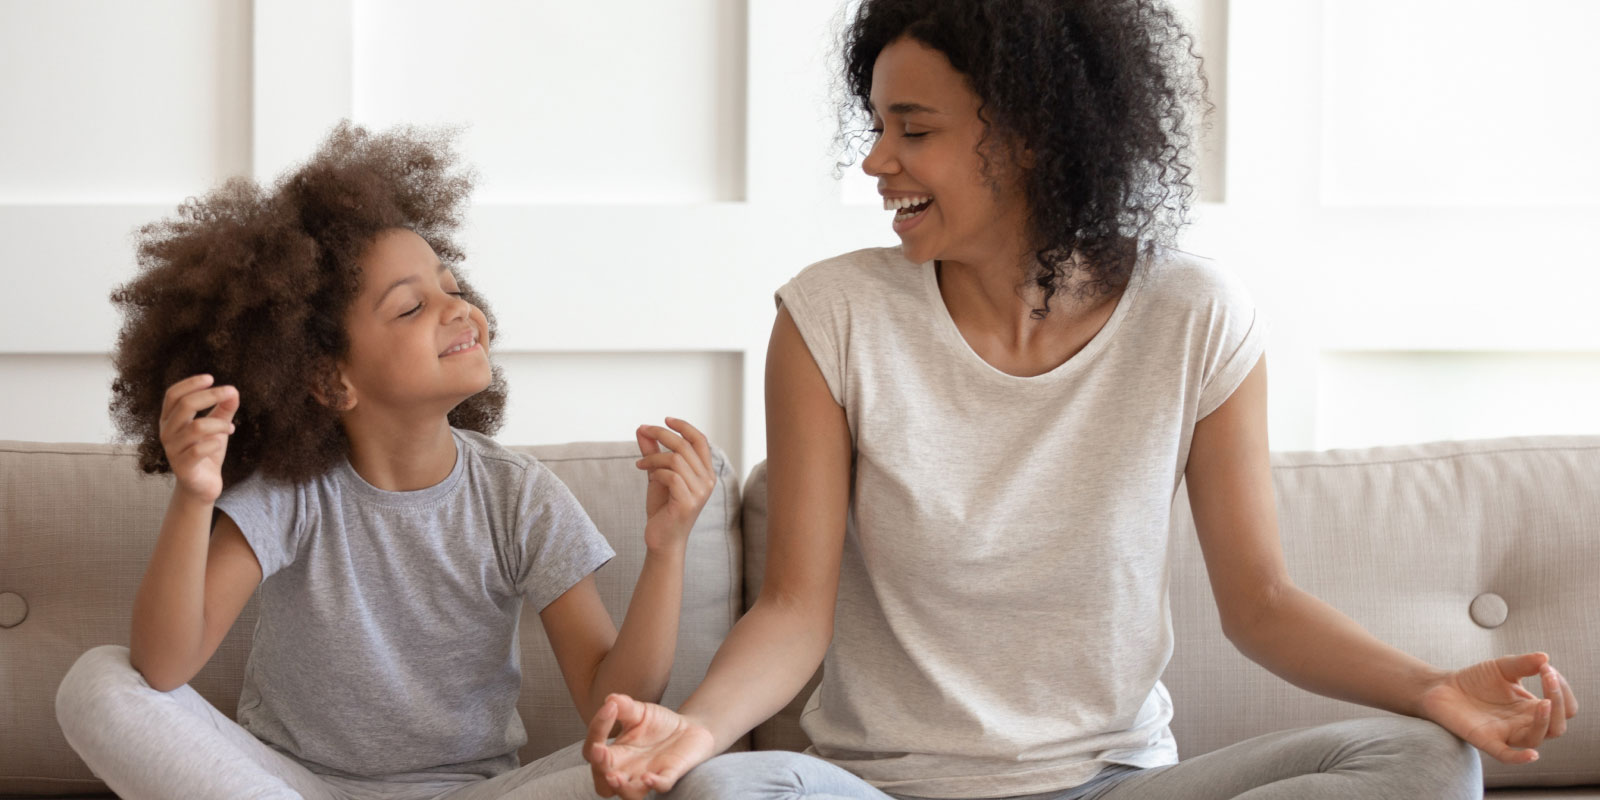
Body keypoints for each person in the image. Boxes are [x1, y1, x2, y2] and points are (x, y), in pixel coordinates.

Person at [581, 2, 1580, 798]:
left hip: (1115, 781)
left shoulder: (1194, 316)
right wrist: (697, 727)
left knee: (1424, 762)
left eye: (912, 129)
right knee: (726, 786)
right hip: (877, 786)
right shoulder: (829, 315)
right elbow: (795, 607)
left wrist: (1433, 686)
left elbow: (1262, 603)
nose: (875, 161)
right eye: (877, 125)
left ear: (1029, 133)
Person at [54, 122, 720, 800]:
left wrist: (667, 549)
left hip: (474, 793)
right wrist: (194, 496)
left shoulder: (521, 496)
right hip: (294, 787)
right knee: (99, 681)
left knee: (659, 762)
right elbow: (164, 669)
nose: (457, 308)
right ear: (329, 379)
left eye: (451, 286)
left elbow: (614, 705)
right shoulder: (291, 495)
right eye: (410, 307)